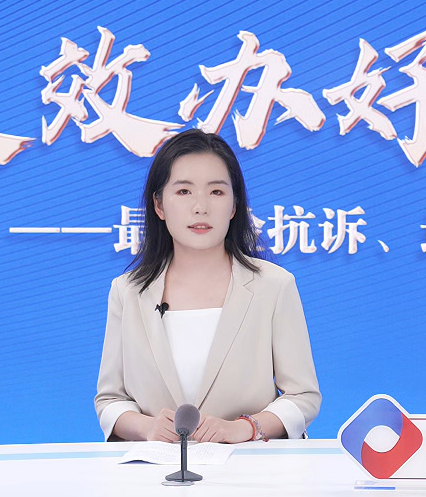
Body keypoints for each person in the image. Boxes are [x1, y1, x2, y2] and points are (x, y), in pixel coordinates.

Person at [95, 129, 319, 443]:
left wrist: (244, 428)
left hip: (249, 467)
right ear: (159, 205)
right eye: (184, 191)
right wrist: (146, 427)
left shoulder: (274, 286)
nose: (201, 207)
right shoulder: (128, 291)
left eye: (216, 192)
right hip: (156, 469)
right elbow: (110, 400)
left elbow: (303, 397)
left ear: (234, 205)